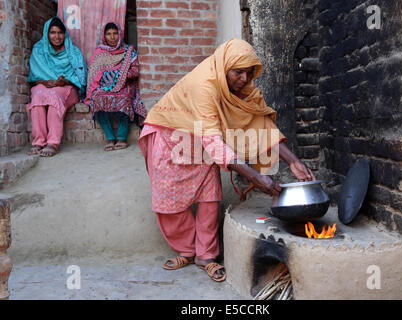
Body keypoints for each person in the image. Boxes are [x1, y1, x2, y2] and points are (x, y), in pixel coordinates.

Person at [138, 39, 315, 282]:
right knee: (169, 203)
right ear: (224, 67)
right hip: (170, 136)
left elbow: (258, 122)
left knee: (209, 197)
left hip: (201, 140)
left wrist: (293, 161)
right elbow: (213, 142)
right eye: (238, 72)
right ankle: (188, 250)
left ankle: (206, 256)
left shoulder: (237, 89)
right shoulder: (205, 86)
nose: (244, 79)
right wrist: (254, 176)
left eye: (249, 72)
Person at [27, 17, 87, 157]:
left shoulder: (73, 52)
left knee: (54, 96)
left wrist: (65, 81)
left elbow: (81, 77)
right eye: (53, 32)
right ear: (47, 34)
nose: (57, 36)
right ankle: (38, 142)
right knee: (37, 96)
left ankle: (52, 143)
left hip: (67, 89)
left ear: (65, 34)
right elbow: (34, 75)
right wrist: (46, 81)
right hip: (44, 85)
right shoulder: (39, 50)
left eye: (60, 33)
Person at [85, 22, 146, 151]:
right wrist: (108, 78)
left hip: (124, 85)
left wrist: (120, 76)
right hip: (104, 87)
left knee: (124, 98)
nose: (112, 37)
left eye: (115, 34)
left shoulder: (129, 51)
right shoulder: (99, 53)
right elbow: (93, 74)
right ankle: (110, 138)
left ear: (120, 34)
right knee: (97, 98)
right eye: (108, 34)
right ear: (104, 36)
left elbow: (135, 71)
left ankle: (122, 137)